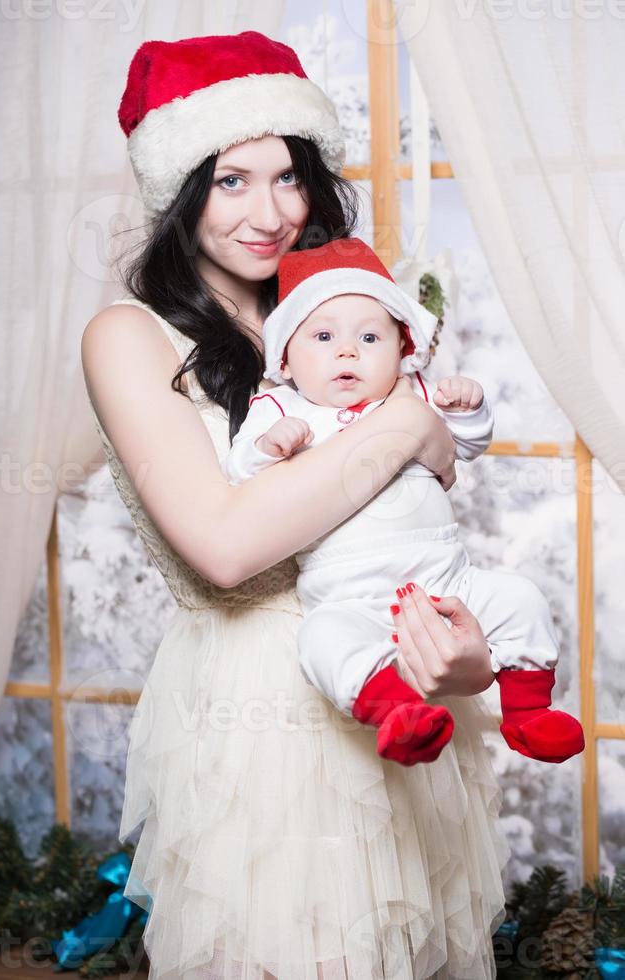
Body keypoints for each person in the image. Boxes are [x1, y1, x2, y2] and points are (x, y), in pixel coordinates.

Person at [81, 31, 511, 980]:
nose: (270, 211)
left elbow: (420, 512)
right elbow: (228, 547)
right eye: (231, 180)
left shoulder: (343, 312)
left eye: (290, 176)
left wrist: (470, 651)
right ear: (181, 188)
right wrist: (400, 425)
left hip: (388, 671)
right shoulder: (130, 336)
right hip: (254, 717)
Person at [223, 237, 586, 768]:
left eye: (369, 337)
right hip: (351, 597)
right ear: (286, 356)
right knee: (323, 642)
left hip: (447, 585)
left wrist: (467, 410)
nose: (347, 351)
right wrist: (268, 445)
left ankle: (528, 710)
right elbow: (239, 472)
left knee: (519, 598)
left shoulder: (409, 391)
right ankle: (398, 713)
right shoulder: (279, 404)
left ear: (401, 349)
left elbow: (462, 448)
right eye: (323, 336)